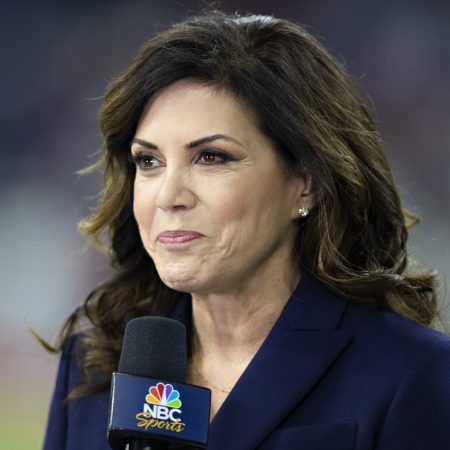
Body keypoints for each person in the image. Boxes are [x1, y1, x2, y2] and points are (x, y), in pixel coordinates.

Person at [42, 10, 450, 450]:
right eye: (149, 161)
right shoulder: (94, 364)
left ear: (307, 181)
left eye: (212, 157)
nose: (168, 196)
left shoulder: (412, 372)